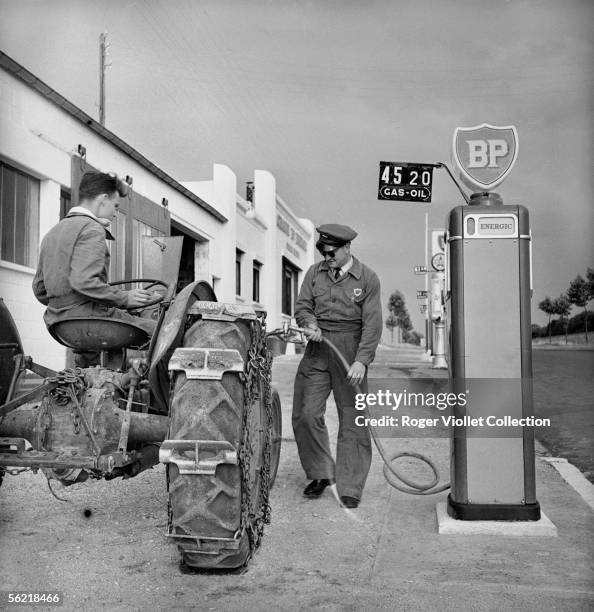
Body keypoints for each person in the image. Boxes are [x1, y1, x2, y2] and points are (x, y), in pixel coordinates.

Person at [292, 223, 382, 508]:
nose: (327, 258)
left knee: (353, 418)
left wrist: (362, 360)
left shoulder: (367, 278)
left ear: (347, 249)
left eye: (332, 253)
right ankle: (320, 473)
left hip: (350, 349)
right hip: (318, 349)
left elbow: (372, 324)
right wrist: (310, 323)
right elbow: (303, 306)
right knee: (306, 413)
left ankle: (350, 486)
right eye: (323, 252)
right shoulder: (314, 273)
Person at [33, 171, 157, 363]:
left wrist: (65, 305)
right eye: (115, 206)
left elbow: (40, 289)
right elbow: (84, 282)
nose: (116, 213)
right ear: (103, 199)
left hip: (58, 323)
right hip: (89, 320)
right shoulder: (91, 229)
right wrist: (125, 298)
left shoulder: (53, 233)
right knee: (162, 331)